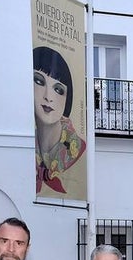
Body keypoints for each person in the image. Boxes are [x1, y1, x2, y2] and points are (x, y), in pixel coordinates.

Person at [33, 46, 86, 197]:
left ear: (67, 99)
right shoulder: (27, 146)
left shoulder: (76, 149)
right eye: (39, 81)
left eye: (58, 89)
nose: (48, 96)